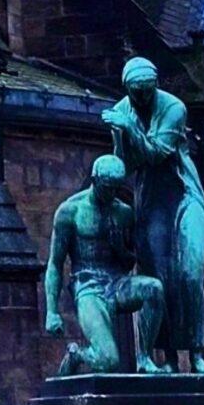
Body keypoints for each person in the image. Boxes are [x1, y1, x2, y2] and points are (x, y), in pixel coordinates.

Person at [104, 56, 204, 371]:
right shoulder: (123, 110)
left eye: (147, 90)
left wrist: (128, 129)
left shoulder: (174, 107)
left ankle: (196, 354)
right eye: (136, 92)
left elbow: (156, 154)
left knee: (191, 274)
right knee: (158, 278)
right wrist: (118, 135)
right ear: (127, 88)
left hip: (183, 192)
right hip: (151, 199)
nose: (142, 98)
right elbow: (125, 164)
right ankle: (165, 357)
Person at [44, 155, 166, 374]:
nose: (111, 194)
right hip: (88, 286)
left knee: (154, 288)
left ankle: (144, 358)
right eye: (107, 188)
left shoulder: (124, 213)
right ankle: (77, 355)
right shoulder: (69, 211)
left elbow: (130, 262)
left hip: (117, 282)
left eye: (116, 188)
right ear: (95, 180)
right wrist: (52, 311)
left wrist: (120, 248)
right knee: (107, 361)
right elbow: (55, 263)